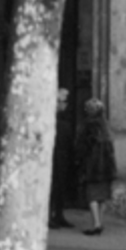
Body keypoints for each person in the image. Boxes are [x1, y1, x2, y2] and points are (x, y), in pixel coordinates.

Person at [76, 97, 116, 236]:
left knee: (92, 196)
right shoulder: (106, 127)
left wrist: (79, 160)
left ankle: (96, 224)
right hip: (106, 167)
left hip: (92, 166)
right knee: (102, 197)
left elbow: (83, 147)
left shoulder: (88, 126)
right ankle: (100, 222)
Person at [48, 88, 74, 229]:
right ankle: (48, 216)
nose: (65, 105)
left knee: (60, 187)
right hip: (53, 157)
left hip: (62, 156)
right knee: (52, 187)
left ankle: (58, 215)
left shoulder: (64, 120)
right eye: (63, 101)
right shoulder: (50, 119)